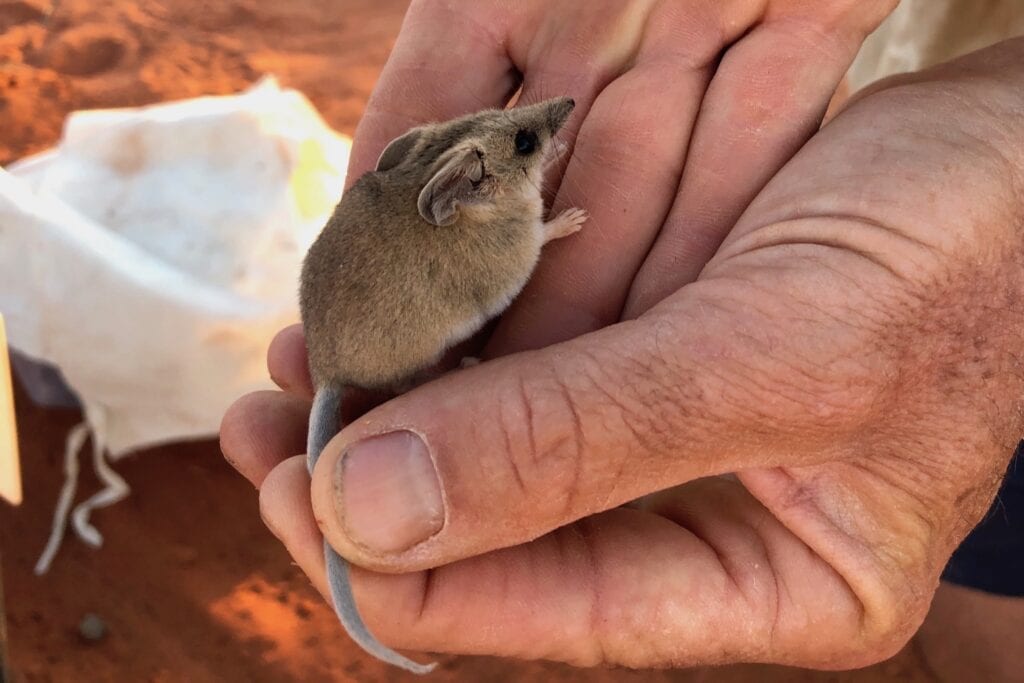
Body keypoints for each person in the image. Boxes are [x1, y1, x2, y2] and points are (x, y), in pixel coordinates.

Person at [220, 2, 1024, 678]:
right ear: (468, 191)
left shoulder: (451, 201)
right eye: (528, 147)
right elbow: (493, 282)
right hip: (387, 338)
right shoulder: (480, 241)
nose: (554, 124)